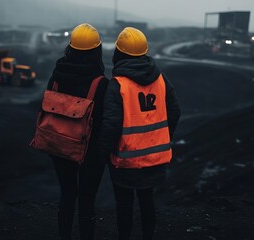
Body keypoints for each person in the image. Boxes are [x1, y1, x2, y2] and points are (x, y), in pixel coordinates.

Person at [98, 27, 181, 240]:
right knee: (147, 201)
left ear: (119, 52)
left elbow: (111, 124)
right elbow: (175, 111)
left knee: (124, 205)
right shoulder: (160, 78)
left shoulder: (119, 84)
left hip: (125, 160)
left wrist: (101, 154)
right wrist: (163, 137)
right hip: (155, 158)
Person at [46, 23, 108, 240]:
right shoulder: (101, 84)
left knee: (67, 194)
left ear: (69, 48)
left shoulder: (55, 77)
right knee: (87, 199)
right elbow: (104, 123)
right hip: (89, 154)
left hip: (60, 147)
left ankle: (64, 235)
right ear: (97, 51)